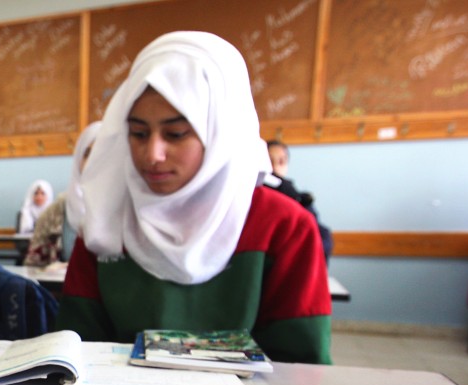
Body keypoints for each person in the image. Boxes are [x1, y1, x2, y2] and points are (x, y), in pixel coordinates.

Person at [57, 31, 331, 364]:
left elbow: (300, 372)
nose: (152, 154)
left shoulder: (284, 227)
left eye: (175, 134)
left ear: (220, 131)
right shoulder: (106, 222)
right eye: (138, 133)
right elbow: (75, 353)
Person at [23, 123, 102, 267]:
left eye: (101, 153)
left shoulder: (130, 211)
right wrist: (54, 268)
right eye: (87, 154)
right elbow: (32, 265)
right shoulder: (56, 212)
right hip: (65, 288)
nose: (93, 162)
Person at [264, 140, 334, 263]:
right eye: (270, 161)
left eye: (281, 161)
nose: (275, 167)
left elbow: (322, 239)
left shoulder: (299, 199)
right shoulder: (253, 197)